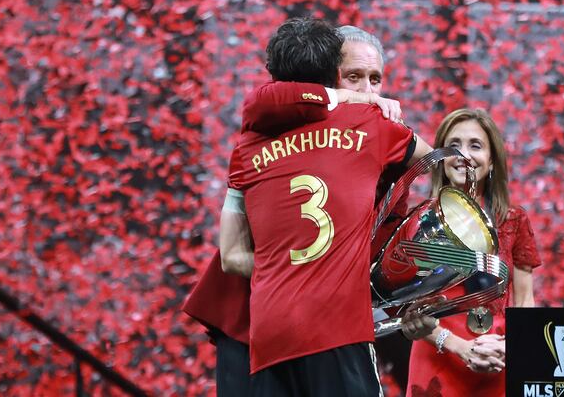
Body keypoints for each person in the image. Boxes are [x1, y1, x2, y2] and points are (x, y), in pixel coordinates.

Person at [183, 24, 432, 394]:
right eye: (353, 78)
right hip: (244, 319)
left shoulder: (380, 149)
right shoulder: (266, 134)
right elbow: (234, 256)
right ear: (323, 83)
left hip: (314, 322)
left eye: (375, 80)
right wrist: (312, 270)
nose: (367, 91)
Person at [406, 108, 542, 397]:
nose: (463, 154)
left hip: (498, 361)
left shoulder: (514, 219)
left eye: (475, 146)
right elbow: (408, 311)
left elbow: (526, 301)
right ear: (441, 158)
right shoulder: (418, 220)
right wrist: (457, 346)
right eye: (453, 145)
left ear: (492, 160)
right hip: (437, 361)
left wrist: (510, 347)